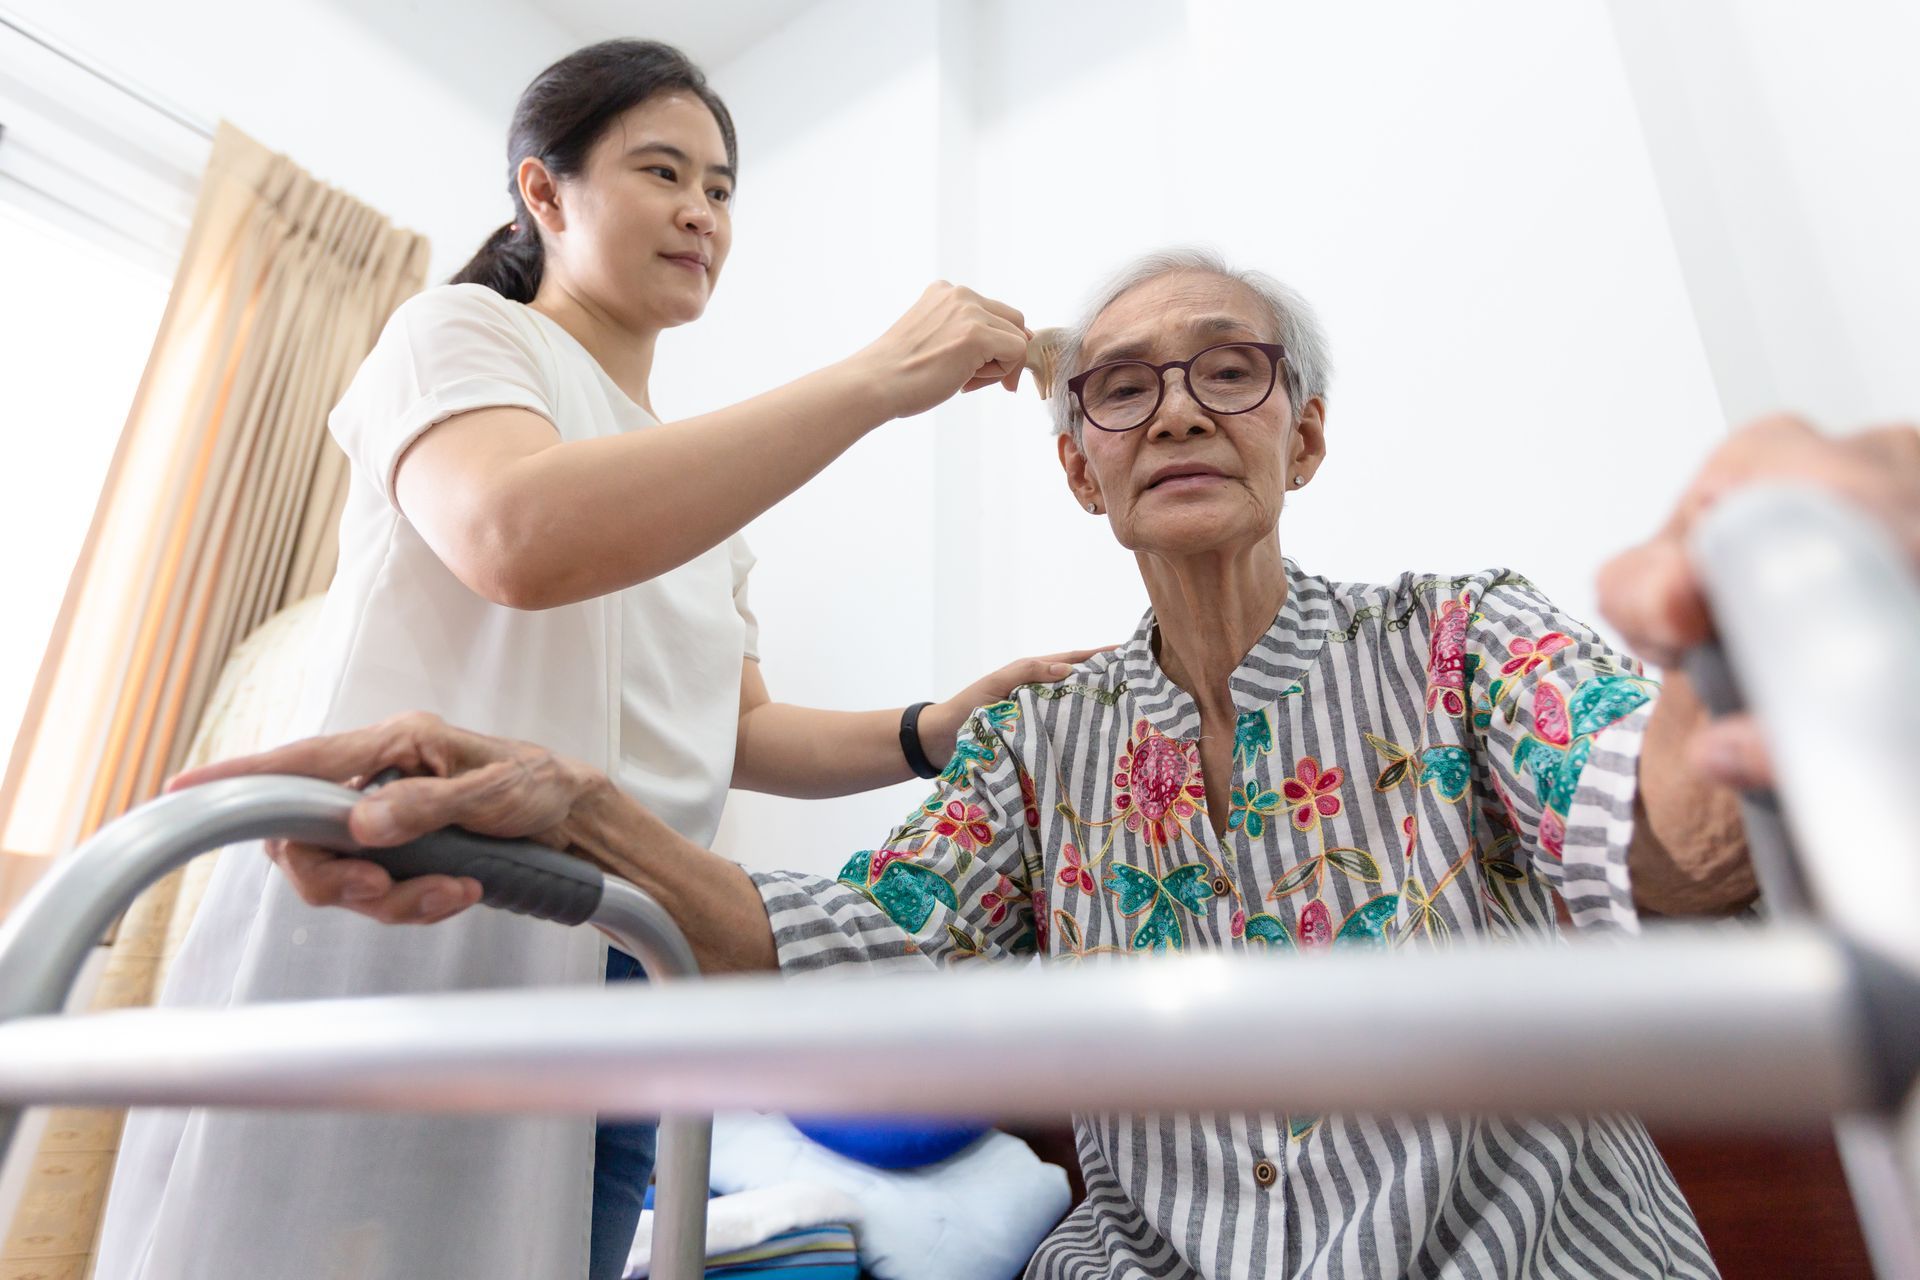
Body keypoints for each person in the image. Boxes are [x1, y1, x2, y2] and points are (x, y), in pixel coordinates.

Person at [174, 248, 1920, 1278]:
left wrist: (1746, 635)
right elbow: (855, 955)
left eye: (1226, 373)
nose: (1173, 410)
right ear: (1078, 469)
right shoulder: (1037, 741)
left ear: (1303, 433)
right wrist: (584, 805)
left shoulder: (1460, 637)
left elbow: (1673, 836)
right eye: (1122, 390)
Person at [97, 38, 1097, 1280]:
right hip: (425, 909)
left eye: (723, 188)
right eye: (664, 171)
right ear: (544, 192)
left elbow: (733, 734)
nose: (701, 211)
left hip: (630, 951)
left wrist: (930, 727)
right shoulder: (462, 336)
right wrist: (875, 382)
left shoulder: (698, 491)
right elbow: (515, 535)